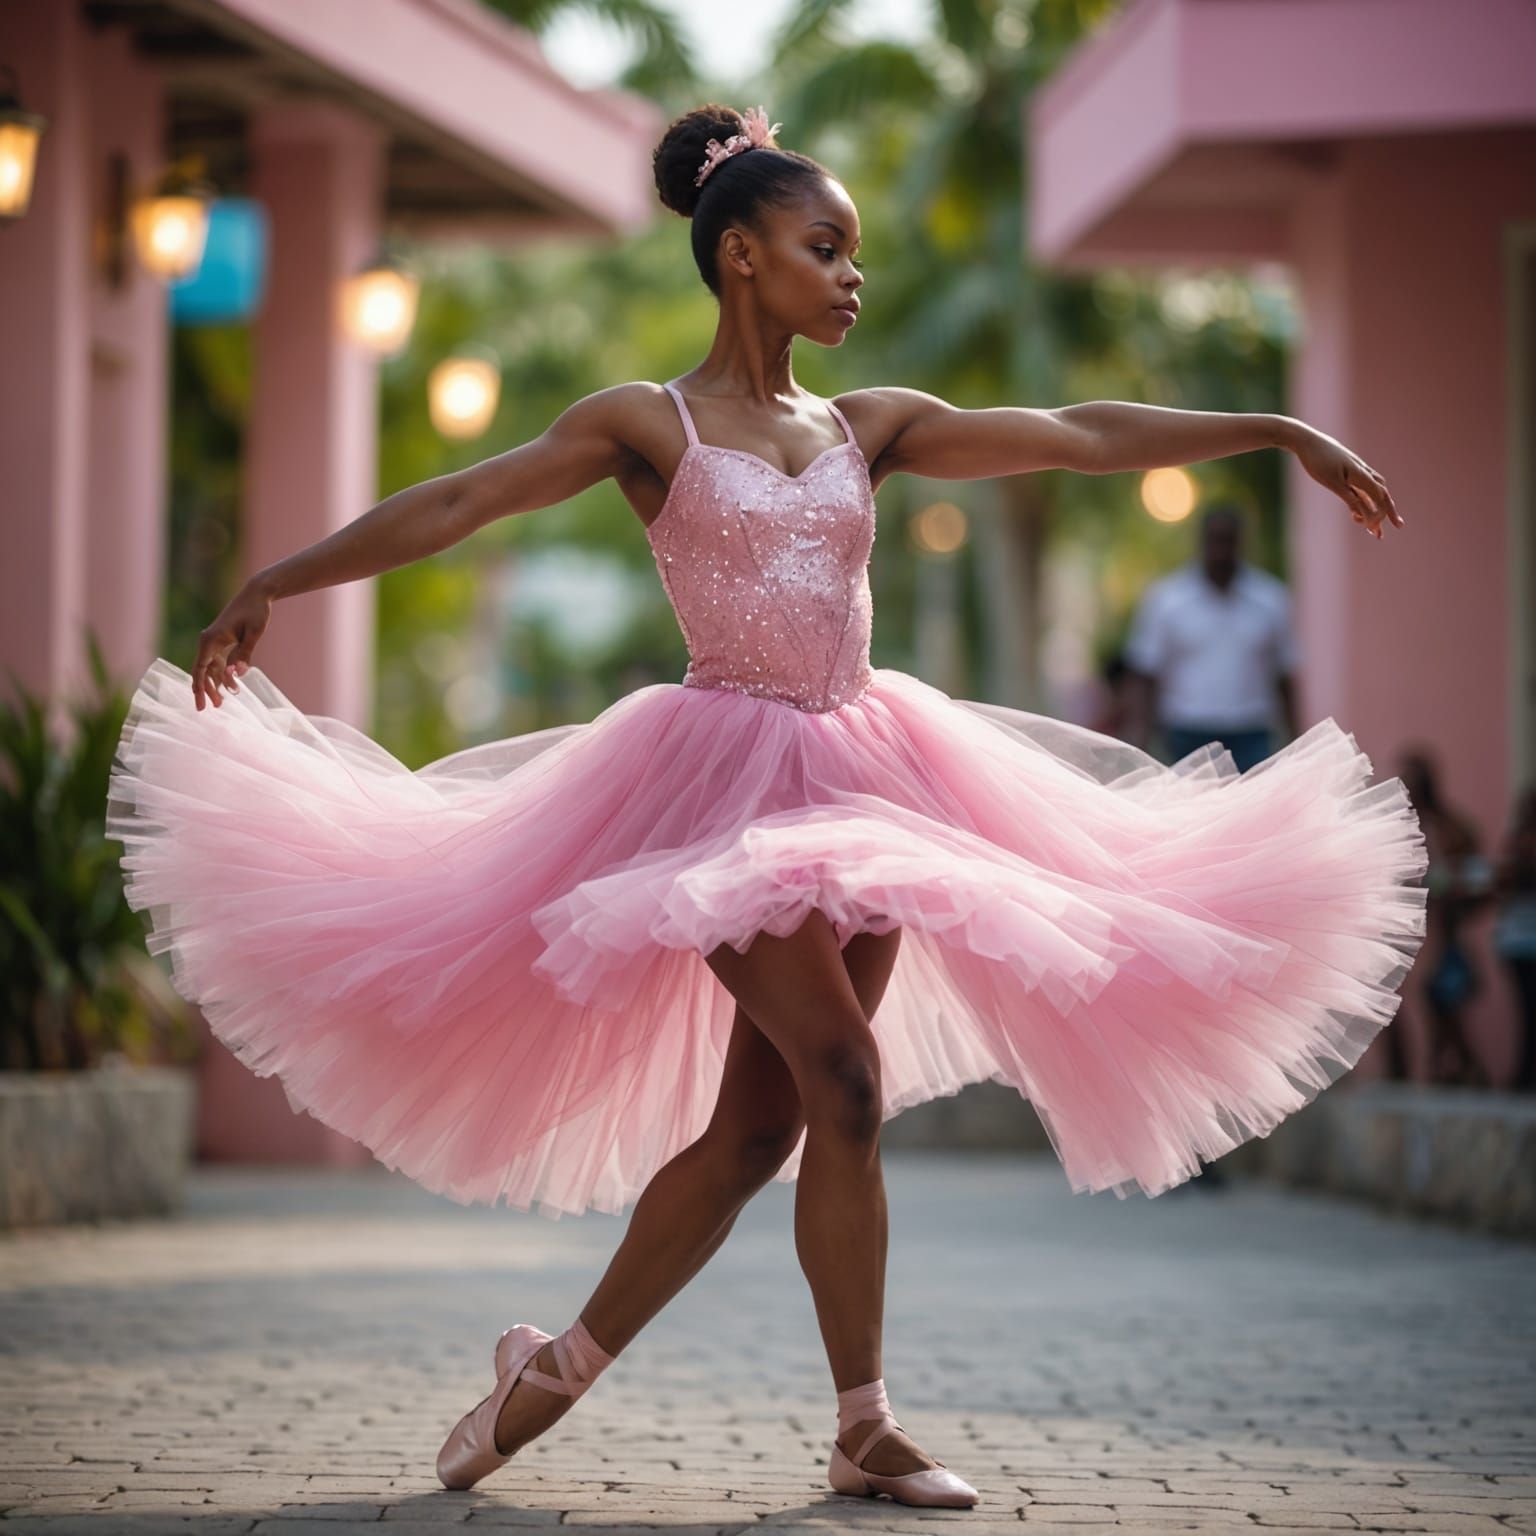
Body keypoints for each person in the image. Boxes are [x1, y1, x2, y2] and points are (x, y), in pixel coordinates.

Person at [106, 103, 1426, 1509]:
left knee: (764, 1131)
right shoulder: (648, 424)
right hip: (716, 790)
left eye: (852, 253)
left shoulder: (869, 425)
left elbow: (1076, 434)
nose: (854, 276)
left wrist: (1278, 430)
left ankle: (556, 1370)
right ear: (741, 255)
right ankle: (864, 1421)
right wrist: (277, 582)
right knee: (847, 1078)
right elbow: (459, 503)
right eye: (826, 247)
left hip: (874, 778)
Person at [1122, 503, 1301, 775]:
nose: (1221, 550)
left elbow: (1284, 674)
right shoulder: (1167, 600)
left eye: (1228, 540)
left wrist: (1296, 740)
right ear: (1202, 541)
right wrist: (1141, 739)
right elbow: (1146, 673)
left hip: (1251, 731)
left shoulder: (1271, 600)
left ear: (1241, 543)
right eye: (1216, 540)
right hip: (1187, 731)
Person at [1395, 747, 1491, 1086]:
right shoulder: (1402, 825)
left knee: (1443, 1000)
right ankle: (1441, 1067)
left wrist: (1448, 885)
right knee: (1427, 1001)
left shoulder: (1446, 826)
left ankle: (1459, 1069)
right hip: (1414, 931)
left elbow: (1475, 875)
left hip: (1445, 933)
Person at [1493, 785, 1536, 1091]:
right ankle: (1524, 1073)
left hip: (1522, 936)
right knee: (1527, 1008)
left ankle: (1525, 1073)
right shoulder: (1517, 842)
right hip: (1518, 939)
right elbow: (1503, 881)